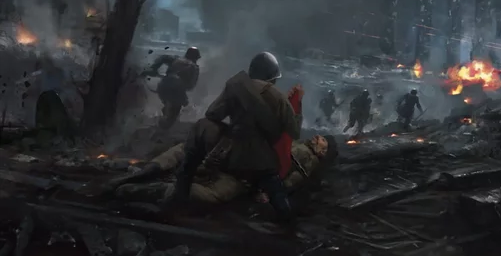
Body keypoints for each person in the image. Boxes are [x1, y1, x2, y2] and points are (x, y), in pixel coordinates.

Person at [168, 52, 303, 222]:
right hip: (261, 162)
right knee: (274, 188)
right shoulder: (278, 97)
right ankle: (286, 222)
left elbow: (213, 113)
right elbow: (295, 132)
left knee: (199, 132)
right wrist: (298, 107)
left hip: (230, 156)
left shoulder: (235, 86)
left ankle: (180, 196)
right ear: (272, 76)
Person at [104, 135, 336, 204]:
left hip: (244, 175)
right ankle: (140, 177)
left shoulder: (308, 161)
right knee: (184, 153)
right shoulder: (294, 139)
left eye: (322, 141)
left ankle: (143, 186)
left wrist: (271, 193)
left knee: (211, 194)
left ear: (323, 153)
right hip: (235, 158)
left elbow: (290, 181)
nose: (318, 138)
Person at [143, 47, 201, 129]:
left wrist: (154, 68)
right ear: (196, 57)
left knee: (168, 106)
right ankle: (161, 130)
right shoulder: (194, 68)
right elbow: (190, 86)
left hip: (163, 85)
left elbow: (163, 57)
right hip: (177, 89)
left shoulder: (176, 59)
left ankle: (162, 122)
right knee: (172, 116)